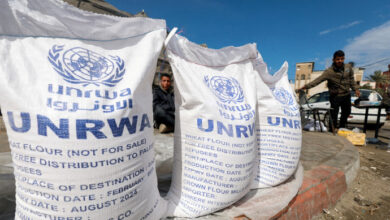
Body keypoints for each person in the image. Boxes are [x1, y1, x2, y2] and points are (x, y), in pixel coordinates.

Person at [297, 50, 360, 130]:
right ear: (333, 60)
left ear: (344, 59)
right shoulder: (329, 72)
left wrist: (356, 89)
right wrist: (305, 86)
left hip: (346, 94)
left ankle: (342, 127)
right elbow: (318, 80)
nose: (340, 61)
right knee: (334, 114)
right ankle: (332, 129)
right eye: (338, 59)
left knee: (347, 112)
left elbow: (351, 79)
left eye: (342, 59)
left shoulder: (348, 68)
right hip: (335, 96)